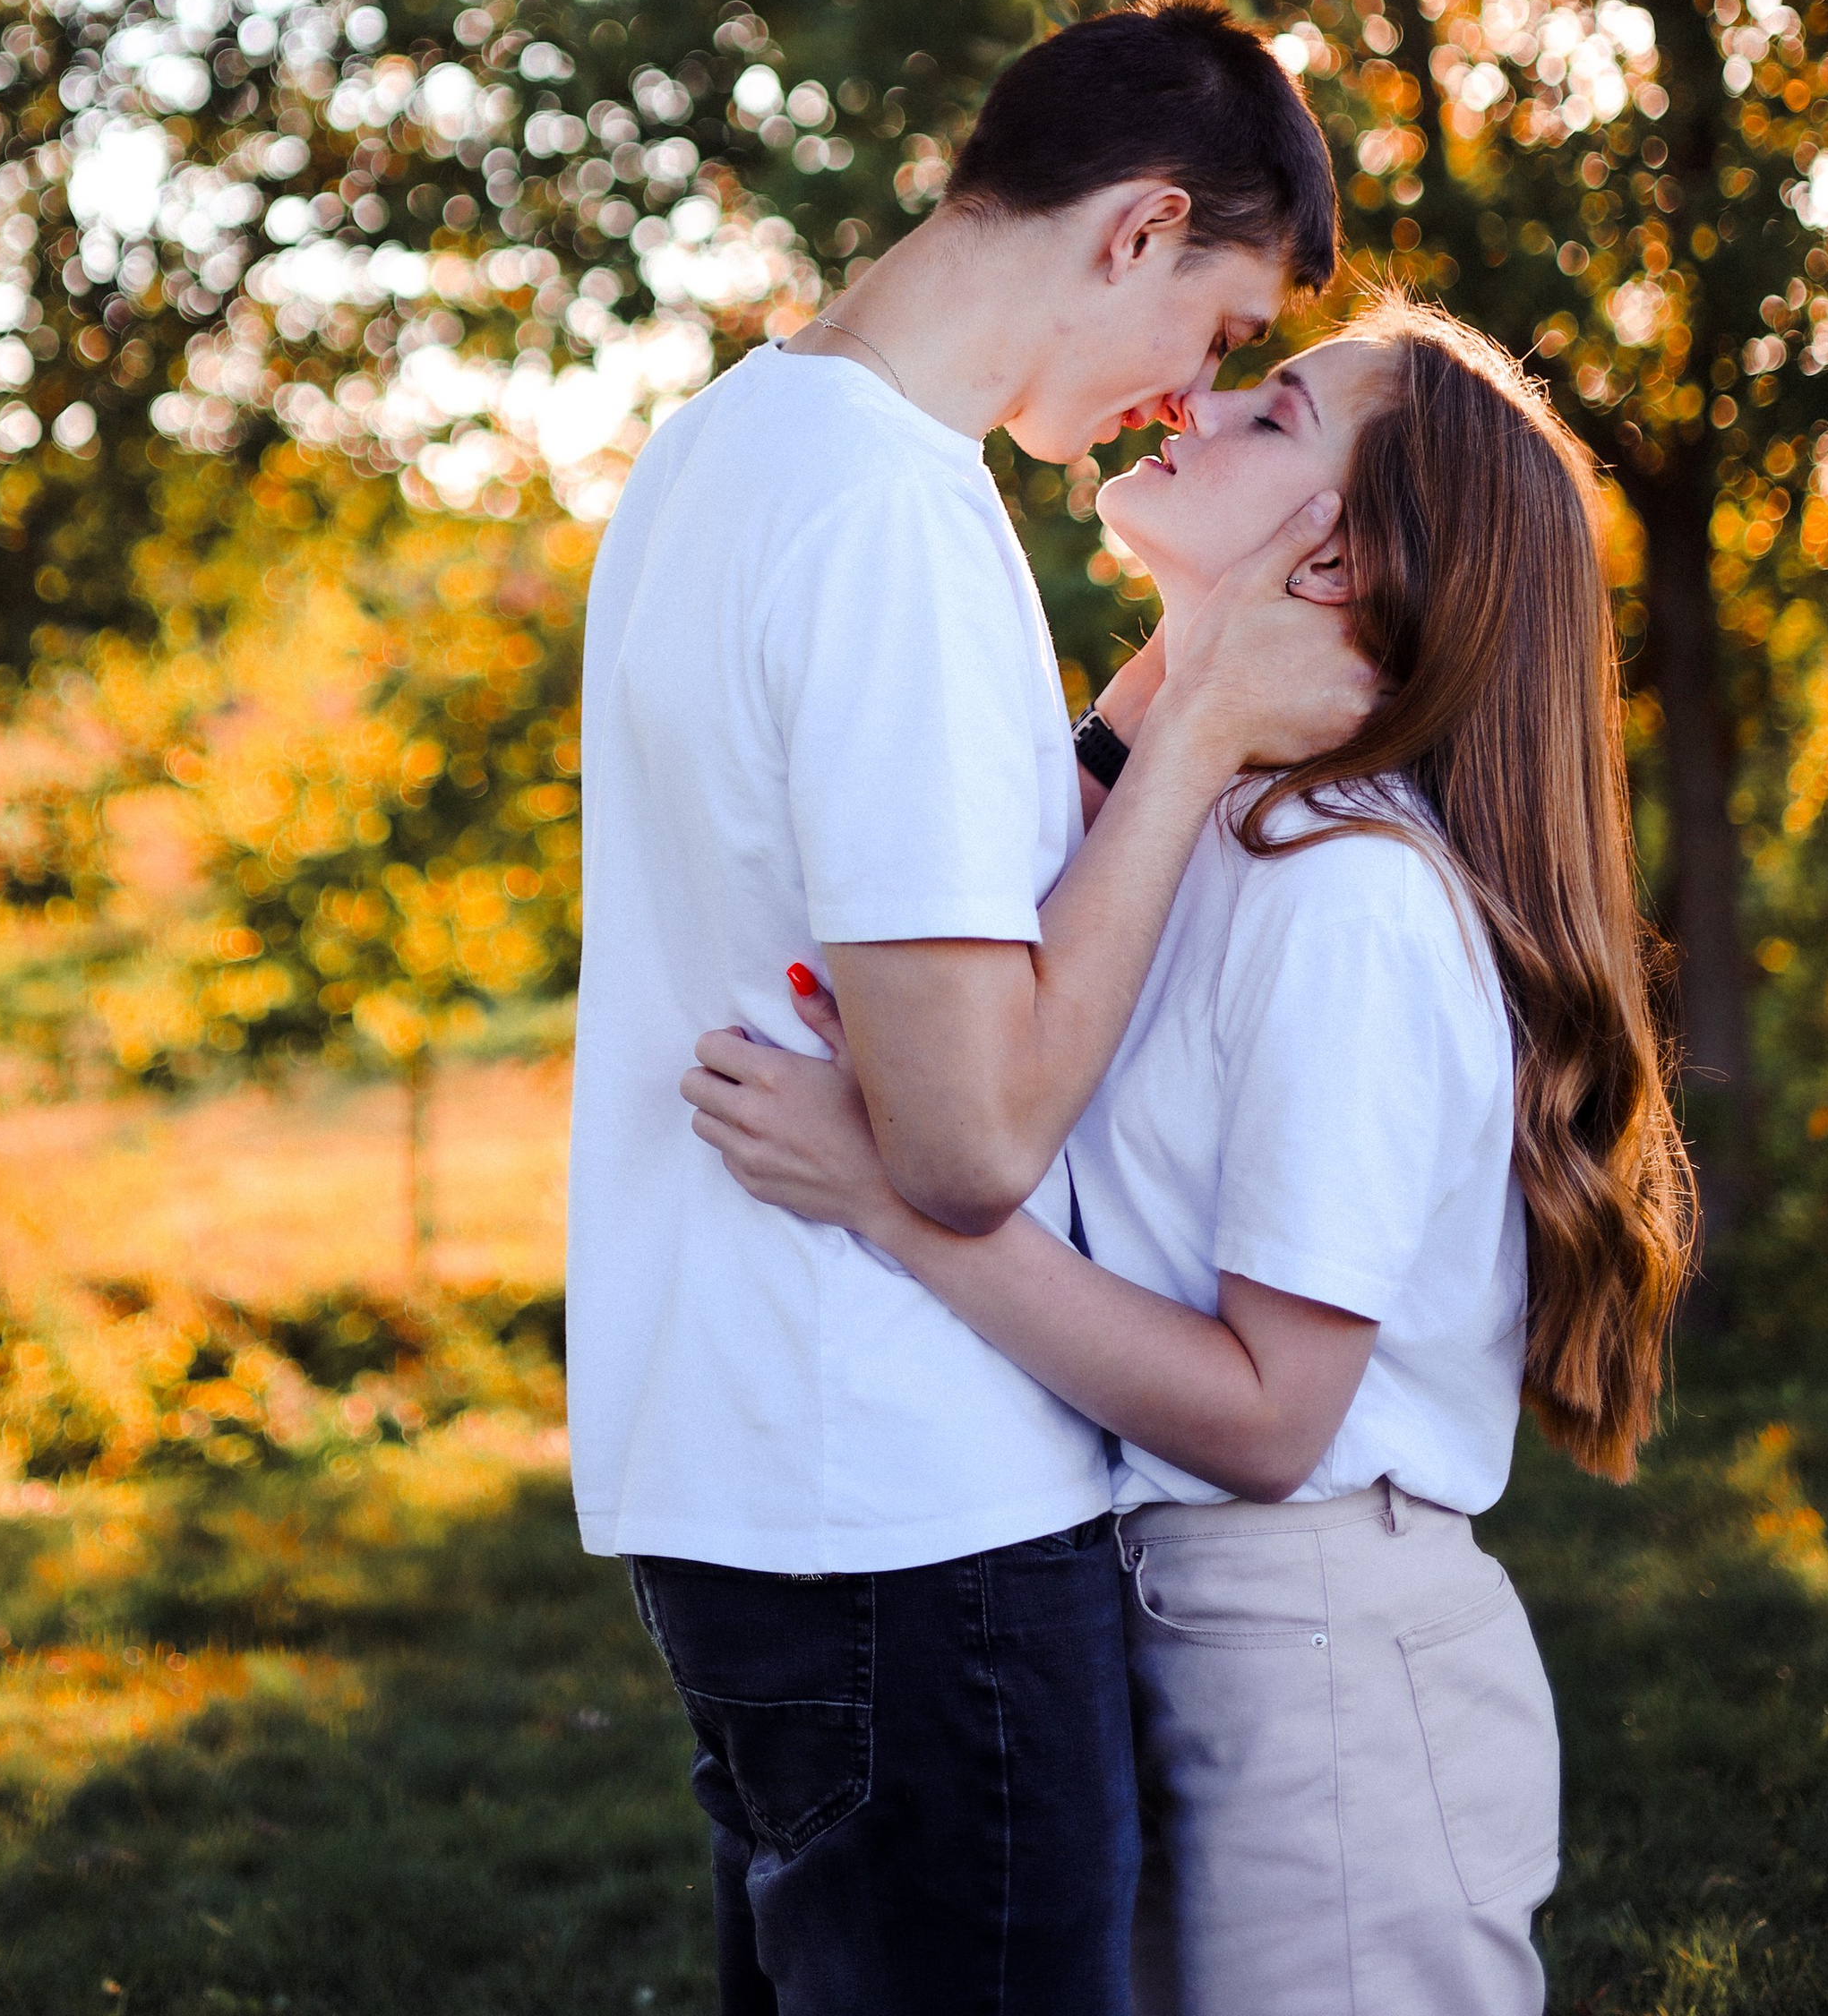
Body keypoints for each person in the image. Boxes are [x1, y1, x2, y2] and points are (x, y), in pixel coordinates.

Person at [686, 296, 1696, 2016]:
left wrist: (891, 1199)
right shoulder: (1213, 835)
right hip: (1180, 1625)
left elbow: (1267, 1412)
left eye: (1278, 416)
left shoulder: (1347, 898)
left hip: (1321, 1668)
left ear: (1342, 559)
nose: (1201, 404)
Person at [568, 0, 1379, 2016]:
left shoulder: (726, 445)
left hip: (743, 1465)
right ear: (1138, 228)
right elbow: (966, 1140)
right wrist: (1194, 747)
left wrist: (1110, 740)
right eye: (1214, 330)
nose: (1176, 398)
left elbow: (890, 926)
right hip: (904, 1516)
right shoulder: (893, 520)